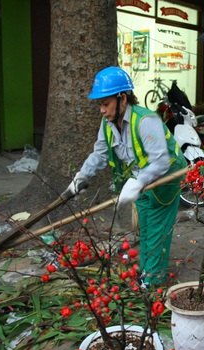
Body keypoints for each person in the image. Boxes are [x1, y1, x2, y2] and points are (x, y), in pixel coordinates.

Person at [63, 66, 186, 288]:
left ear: (123, 98)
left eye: (105, 104)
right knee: (146, 227)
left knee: (157, 229)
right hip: (139, 181)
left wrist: (138, 182)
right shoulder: (108, 124)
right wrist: (81, 176)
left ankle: (153, 283)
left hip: (164, 178)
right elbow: (100, 153)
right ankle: (146, 271)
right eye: (99, 104)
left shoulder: (146, 120)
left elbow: (159, 161)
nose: (101, 110)